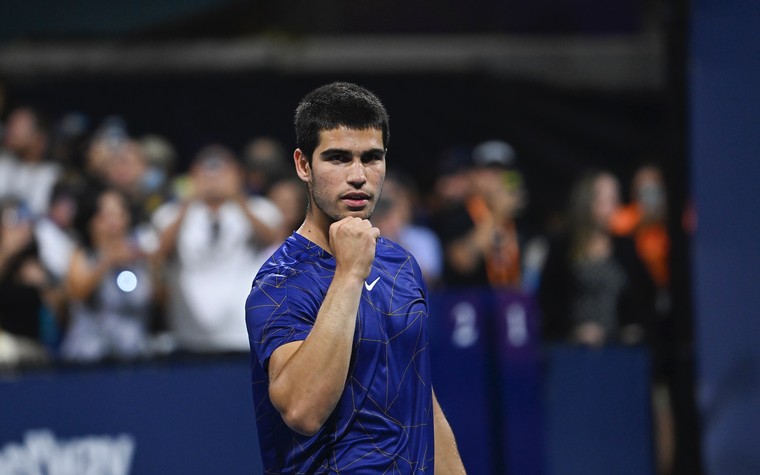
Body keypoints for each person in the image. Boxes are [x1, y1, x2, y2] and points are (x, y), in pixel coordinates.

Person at [245, 82, 465, 473]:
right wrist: (349, 273)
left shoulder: (402, 265)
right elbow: (301, 409)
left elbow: (420, 398)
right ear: (303, 165)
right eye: (338, 158)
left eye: (371, 158)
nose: (359, 176)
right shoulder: (279, 282)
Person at [153, 144, 281, 353]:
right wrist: (189, 199)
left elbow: (271, 239)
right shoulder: (172, 213)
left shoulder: (260, 208)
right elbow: (161, 250)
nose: (214, 179)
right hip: (189, 331)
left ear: (238, 174)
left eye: (222, 172)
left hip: (242, 331)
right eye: (206, 172)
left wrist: (237, 196)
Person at [538, 169, 656, 346]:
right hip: (572, 350)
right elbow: (548, 302)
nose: (616, 205)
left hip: (618, 350)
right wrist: (572, 332)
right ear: (588, 202)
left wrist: (633, 327)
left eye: (617, 198)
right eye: (609, 199)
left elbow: (645, 295)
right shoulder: (562, 247)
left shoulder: (625, 247)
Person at [59, 186, 156, 362]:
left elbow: (158, 299)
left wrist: (155, 263)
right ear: (91, 222)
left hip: (133, 357)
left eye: (118, 215)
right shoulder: (82, 255)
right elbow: (76, 293)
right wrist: (106, 261)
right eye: (104, 216)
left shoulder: (140, 257)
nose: (113, 224)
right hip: (87, 360)